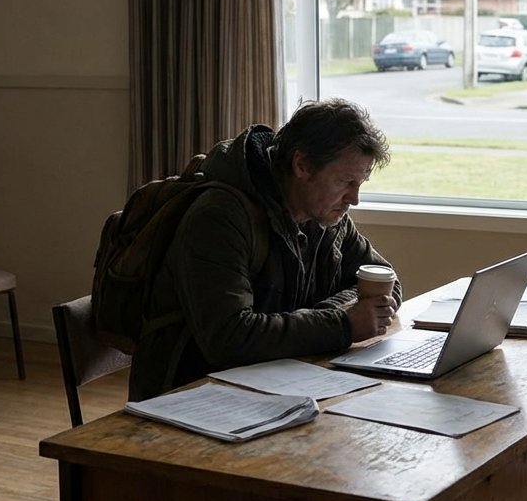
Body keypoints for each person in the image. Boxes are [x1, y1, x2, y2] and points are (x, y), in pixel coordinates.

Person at [128, 98, 402, 401]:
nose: (354, 198)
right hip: (189, 397)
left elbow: (386, 283)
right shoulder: (219, 217)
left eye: (360, 182)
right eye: (345, 181)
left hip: (279, 386)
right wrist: (342, 323)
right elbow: (229, 338)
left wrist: (336, 318)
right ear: (302, 165)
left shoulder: (326, 215)